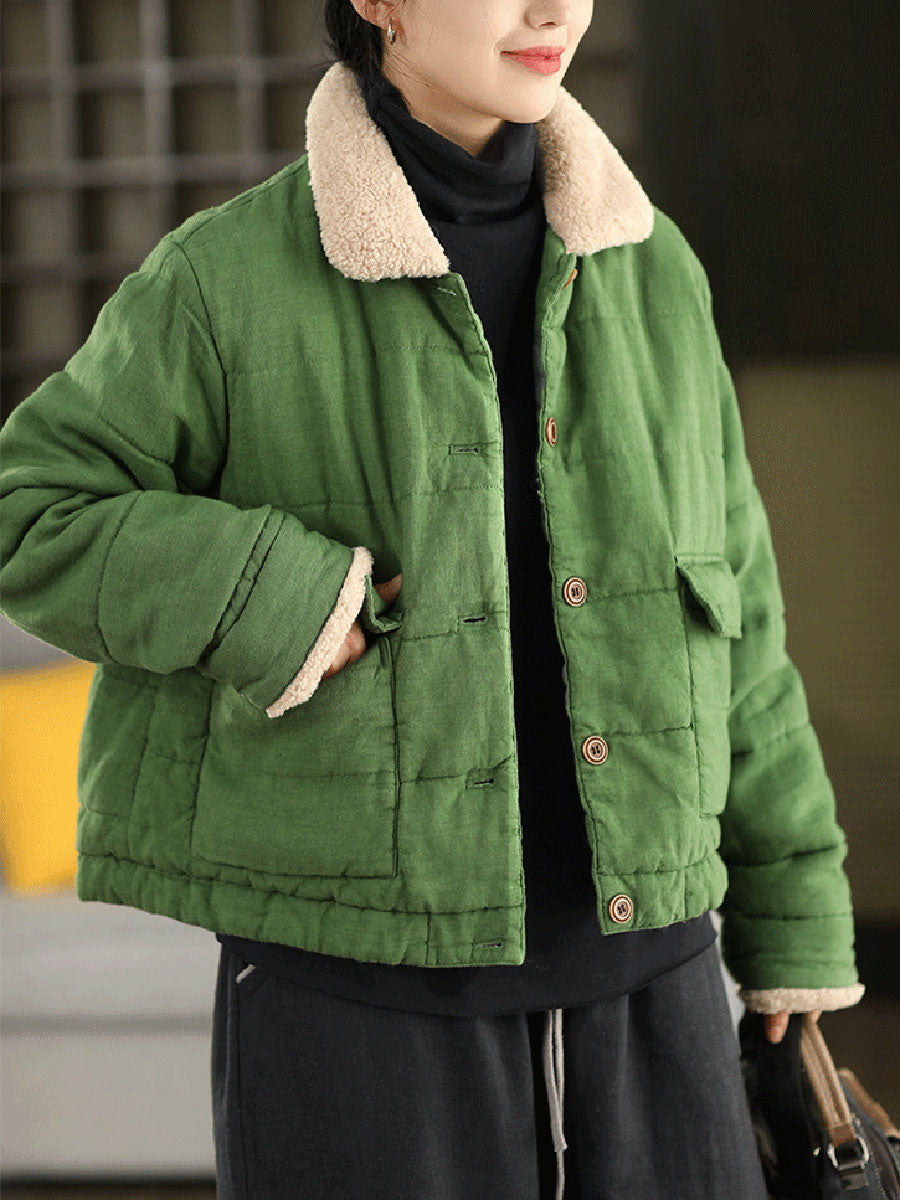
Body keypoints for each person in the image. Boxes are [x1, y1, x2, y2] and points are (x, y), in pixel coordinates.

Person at [0, 1, 866, 1197]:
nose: (553, 9)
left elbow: (741, 619)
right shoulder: (222, 279)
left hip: (657, 994)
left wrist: (795, 922)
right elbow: (30, 509)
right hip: (352, 1000)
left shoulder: (655, 267)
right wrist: (282, 598)